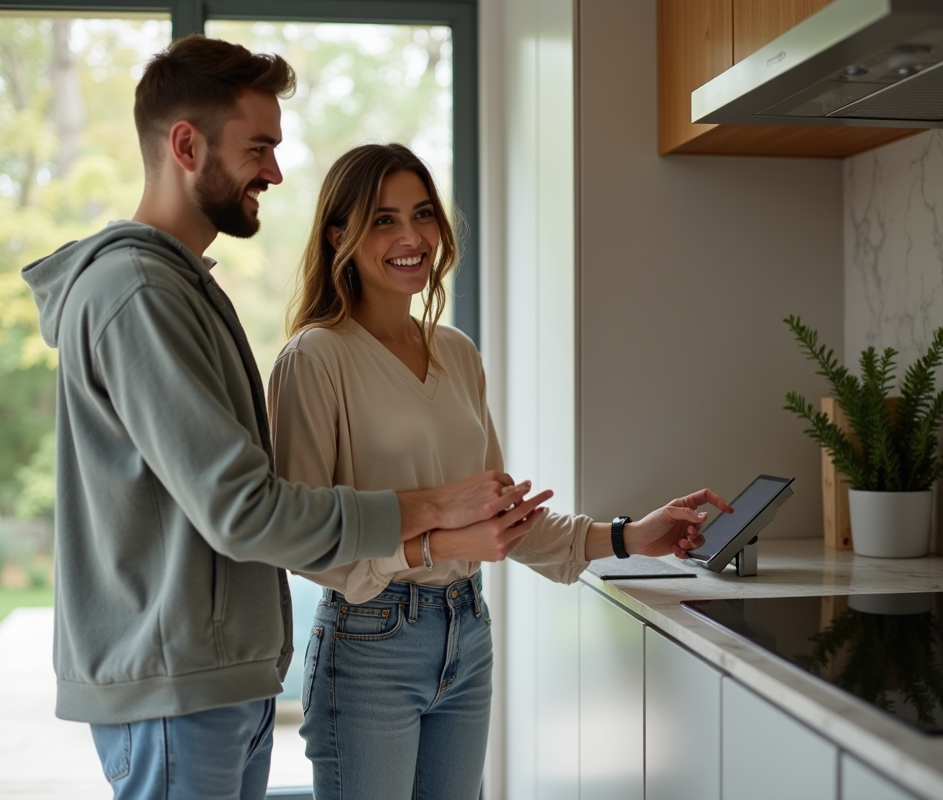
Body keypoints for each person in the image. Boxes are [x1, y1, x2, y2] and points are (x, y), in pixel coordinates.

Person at [20, 37, 539, 800]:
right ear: (187, 145)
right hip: (178, 686)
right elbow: (245, 508)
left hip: (219, 678)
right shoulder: (140, 296)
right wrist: (432, 511)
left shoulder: (185, 289)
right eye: (259, 147)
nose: (275, 170)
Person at [267, 142, 734, 800]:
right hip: (371, 641)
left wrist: (631, 536)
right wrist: (439, 544)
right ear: (339, 235)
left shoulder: (457, 353)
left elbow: (505, 521)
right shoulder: (314, 359)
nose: (411, 237)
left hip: (467, 632)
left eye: (423, 214)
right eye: (383, 219)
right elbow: (309, 542)